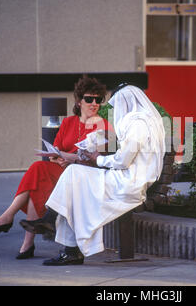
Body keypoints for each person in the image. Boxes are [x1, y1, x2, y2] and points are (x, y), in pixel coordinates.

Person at [20, 84, 166, 266]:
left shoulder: (138, 124)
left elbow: (123, 160)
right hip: (127, 179)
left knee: (74, 180)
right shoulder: (145, 121)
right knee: (74, 179)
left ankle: (62, 236)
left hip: (129, 184)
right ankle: (63, 239)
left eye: (117, 104)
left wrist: (98, 159)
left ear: (125, 102)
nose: (116, 110)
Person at [0, 77, 110, 259]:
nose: (94, 103)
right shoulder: (68, 122)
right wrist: (58, 158)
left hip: (85, 175)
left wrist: (69, 158)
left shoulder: (104, 125)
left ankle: (13, 225)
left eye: (98, 100)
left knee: (38, 171)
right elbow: (55, 150)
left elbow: (99, 159)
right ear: (78, 101)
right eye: (89, 99)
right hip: (62, 170)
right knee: (39, 171)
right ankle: (22, 234)